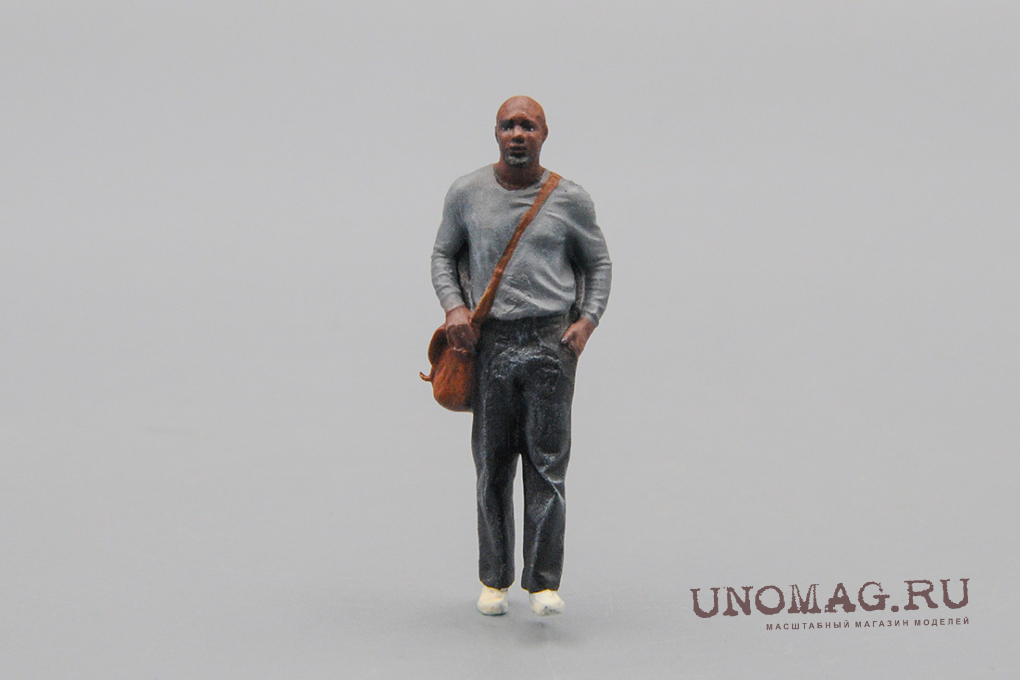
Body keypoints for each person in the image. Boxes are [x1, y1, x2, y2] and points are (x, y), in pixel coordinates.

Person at [431, 96, 612, 616]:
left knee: (548, 465)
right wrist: (454, 308)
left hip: (551, 345)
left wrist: (587, 322)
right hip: (490, 344)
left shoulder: (570, 199)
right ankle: (494, 579)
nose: (518, 134)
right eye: (509, 125)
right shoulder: (466, 192)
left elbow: (598, 263)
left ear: (544, 134)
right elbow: (443, 254)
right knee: (491, 467)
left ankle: (543, 583)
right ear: (495, 133)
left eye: (528, 126)